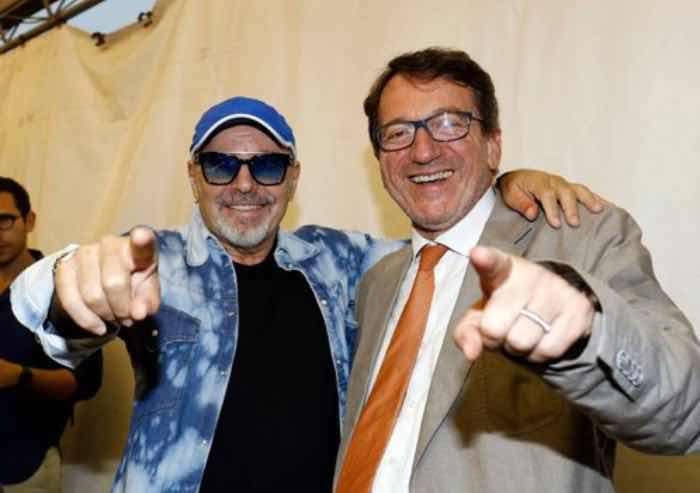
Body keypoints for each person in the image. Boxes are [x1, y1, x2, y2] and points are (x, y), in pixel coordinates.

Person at [11, 96, 601, 492]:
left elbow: (444, 251)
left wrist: (502, 186)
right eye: (221, 165)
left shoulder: (339, 259)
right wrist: (65, 283)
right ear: (193, 176)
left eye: (267, 167)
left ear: (293, 179)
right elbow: (44, 316)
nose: (245, 184)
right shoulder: (153, 261)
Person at [333, 47, 700, 493]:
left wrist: (589, 333)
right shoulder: (377, 283)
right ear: (379, 159)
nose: (423, 151)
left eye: (449, 123)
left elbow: (687, 409)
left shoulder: (579, 239)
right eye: (398, 133)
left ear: (493, 146)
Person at [0, 177, 102, 493]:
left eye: (5, 220)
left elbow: (86, 383)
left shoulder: (62, 290)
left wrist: (20, 376)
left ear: (29, 220)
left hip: (26, 467)